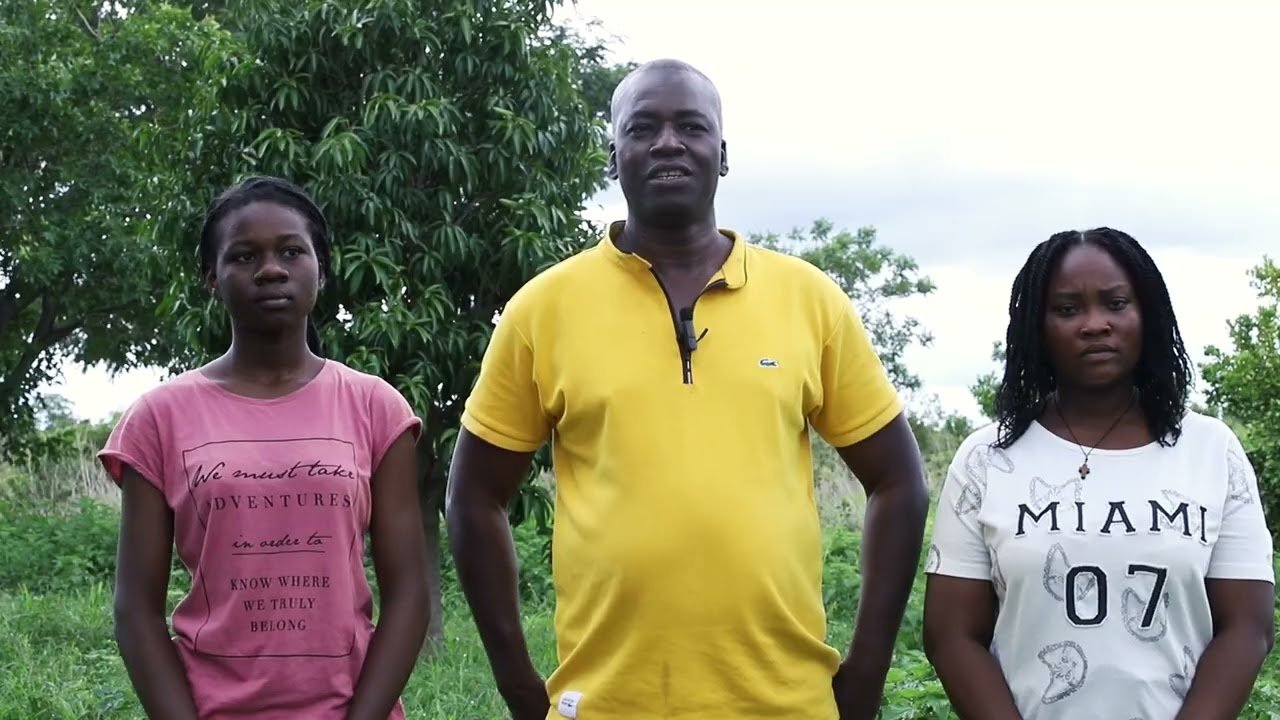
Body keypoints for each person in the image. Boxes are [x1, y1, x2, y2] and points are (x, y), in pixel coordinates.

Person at [445, 59, 928, 720]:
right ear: (613, 157)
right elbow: (474, 496)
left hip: (786, 705)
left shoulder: (809, 299)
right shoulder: (543, 309)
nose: (667, 142)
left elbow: (899, 481)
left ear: (722, 155)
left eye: (691, 127)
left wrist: (866, 673)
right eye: (643, 127)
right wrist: (519, 687)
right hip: (606, 705)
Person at [101, 176, 429, 719]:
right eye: (244, 256)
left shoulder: (376, 408)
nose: (271, 269)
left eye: (291, 251)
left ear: (321, 269)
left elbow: (410, 594)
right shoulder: (159, 419)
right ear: (212, 277)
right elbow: (135, 610)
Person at [923, 228, 1275, 719]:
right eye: (1068, 309)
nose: (1095, 324)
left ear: (1147, 315)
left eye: (1116, 303)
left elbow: (1247, 627)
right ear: (1037, 327)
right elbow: (951, 635)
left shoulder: (1212, 451)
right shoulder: (986, 458)